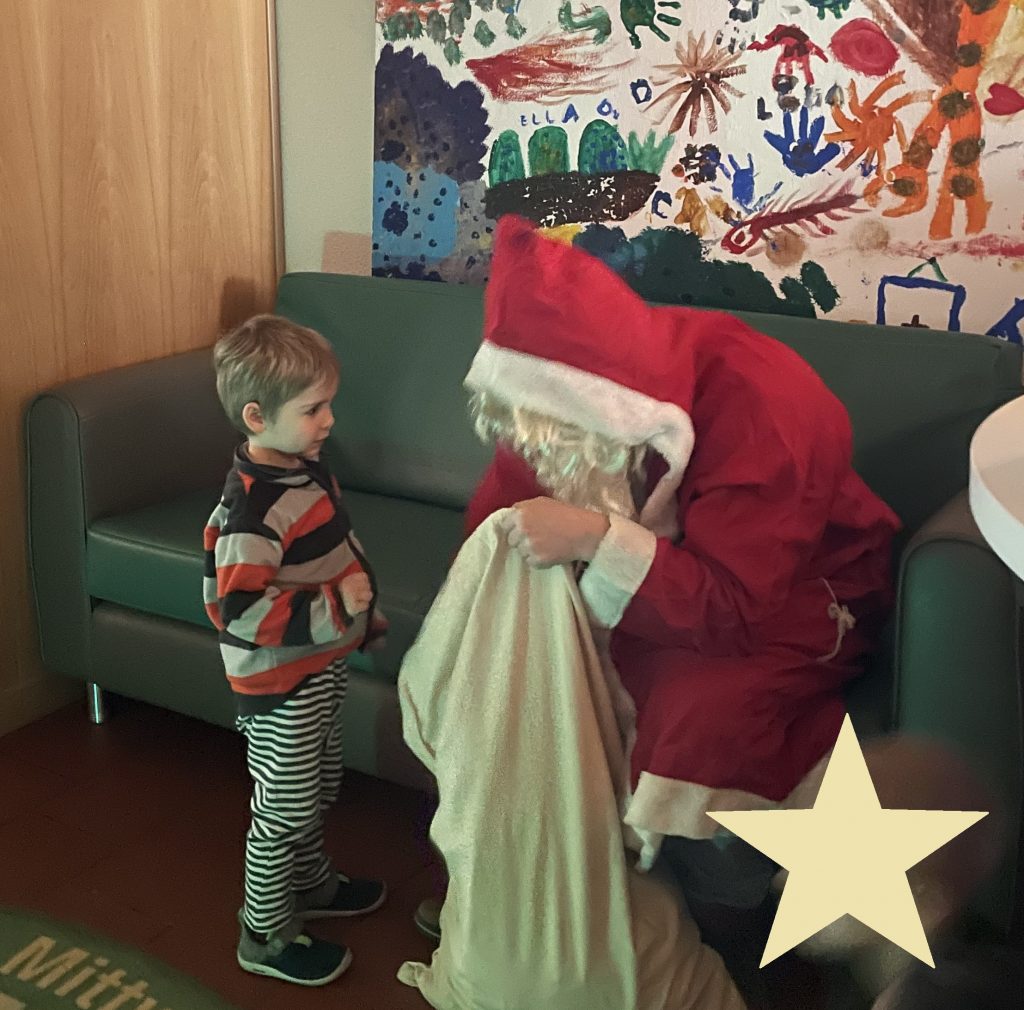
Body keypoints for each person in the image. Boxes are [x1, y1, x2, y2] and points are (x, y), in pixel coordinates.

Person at [456, 215, 901, 952]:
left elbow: (736, 604)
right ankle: (559, 901)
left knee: (698, 721)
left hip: (805, 587)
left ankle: (724, 933)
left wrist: (595, 538)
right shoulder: (558, 389)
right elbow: (504, 508)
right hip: (679, 576)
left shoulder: (767, 408)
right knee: (535, 678)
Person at [204, 315, 387, 986]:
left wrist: (362, 617)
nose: (329, 420)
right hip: (280, 684)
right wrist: (340, 607)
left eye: (328, 404)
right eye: (313, 409)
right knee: (283, 808)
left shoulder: (304, 472)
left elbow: (334, 549)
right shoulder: (251, 513)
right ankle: (263, 932)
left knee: (318, 784)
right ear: (257, 417)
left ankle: (310, 884)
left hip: (320, 664)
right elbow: (241, 612)